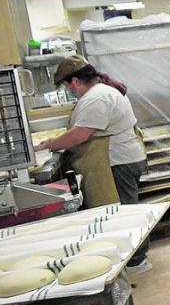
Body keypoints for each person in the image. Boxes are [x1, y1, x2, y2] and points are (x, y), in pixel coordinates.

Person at [36, 55, 151, 275]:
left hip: (117, 160)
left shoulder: (96, 97)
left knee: (124, 212)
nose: (70, 91)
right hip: (121, 158)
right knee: (127, 209)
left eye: (68, 86)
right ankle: (136, 258)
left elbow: (79, 134)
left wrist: (51, 144)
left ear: (76, 81)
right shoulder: (102, 92)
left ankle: (136, 261)